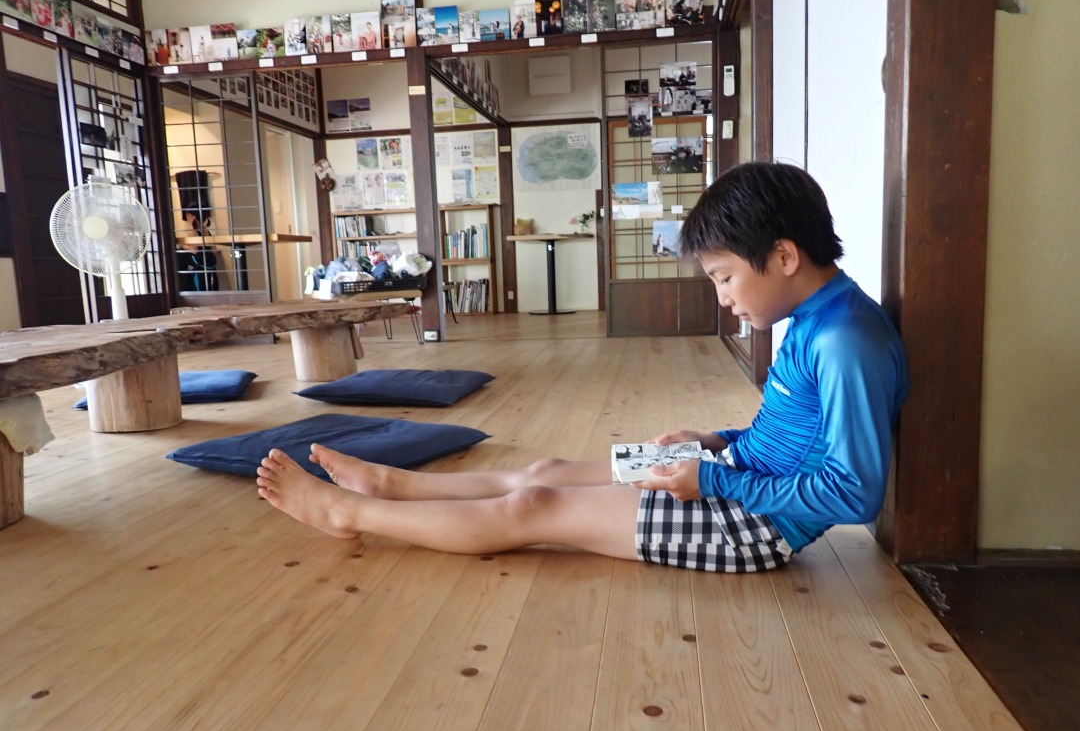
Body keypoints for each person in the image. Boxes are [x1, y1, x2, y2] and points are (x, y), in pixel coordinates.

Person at [256, 162, 909, 574]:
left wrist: (710, 478)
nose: (723, 297)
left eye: (724, 276)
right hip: (732, 471)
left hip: (755, 524)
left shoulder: (844, 341)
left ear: (785, 256)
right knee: (547, 471)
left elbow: (855, 493)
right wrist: (712, 442)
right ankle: (392, 487)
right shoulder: (820, 316)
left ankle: (351, 514)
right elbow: (791, 437)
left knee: (534, 507)